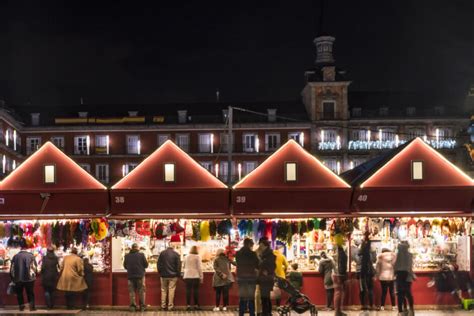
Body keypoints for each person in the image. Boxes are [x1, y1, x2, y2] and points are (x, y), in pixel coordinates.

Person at [10, 238, 38, 311]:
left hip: (18, 278)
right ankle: (32, 307)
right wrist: (34, 275)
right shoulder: (31, 256)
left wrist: (13, 278)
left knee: (19, 293)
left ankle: (21, 307)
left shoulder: (15, 256)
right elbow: (34, 268)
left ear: (20, 248)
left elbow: (12, 269)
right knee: (30, 293)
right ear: (27, 248)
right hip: (29, 279)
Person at [236, 237, 259, 316]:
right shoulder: (253, 254)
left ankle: (241, 314)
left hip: (241, 278)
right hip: (251, 278)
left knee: (242, 297)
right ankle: (252, 314)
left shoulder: (238, 253)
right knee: (251, 298)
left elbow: (238, 264)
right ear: (249, 244)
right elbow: (257, 265)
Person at [123, 243, 148, 312]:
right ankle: (142, 307)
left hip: (130, 276)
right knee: (141, 291)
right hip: (140, 276)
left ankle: (133, 307)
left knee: (132, 292)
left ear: (132, 248)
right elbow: (146, 265)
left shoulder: (127, 256)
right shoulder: (141, 255)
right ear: (137, 248)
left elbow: (125, 266)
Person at [157, 244, 181, 311]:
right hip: (173, 276)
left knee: (163, 290)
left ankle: (163, 306)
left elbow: (158, 264)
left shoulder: (162, 253)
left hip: (163, 275)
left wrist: (160, 272)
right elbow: (178, 266)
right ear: (173, 247)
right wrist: (178, 274)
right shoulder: (176, 254)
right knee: (171, 290)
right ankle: (170, 306)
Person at [394, 241, 415, 316]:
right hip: (407, 276)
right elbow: (409, 267)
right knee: (408, 293)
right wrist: (412, 275)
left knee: (400, 294)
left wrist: (394, 273)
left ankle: (400, 311)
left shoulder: (397, 255)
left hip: (400, 276)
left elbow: (395, 266)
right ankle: (411, 309)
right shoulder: (410, 255)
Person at [258, 239, 276, 316]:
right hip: (265, 278)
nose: (260, 246)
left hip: (266, 279)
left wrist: (267, 271)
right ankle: (267, 312)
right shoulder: (266, 254)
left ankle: (266, 313)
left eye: (261, 245)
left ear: (265, 245)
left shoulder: (268, 255)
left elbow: (272, 266)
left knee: (264, 297)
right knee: (266, 297)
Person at [358, 234, 376, 310]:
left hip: (362, 273)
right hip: (369, 273)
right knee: (370, 289)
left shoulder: (361, 254)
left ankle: (363, 305)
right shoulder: (369, 254)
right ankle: (371, 305)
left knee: (362, 290)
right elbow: (373, 261)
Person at [183, 245, 203, 311]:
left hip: (187, 275)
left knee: (188, 291)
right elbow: (200, 268)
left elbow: (184, 266)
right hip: (195, 276)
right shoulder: (198, 257)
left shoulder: (186, 257)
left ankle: (188, 305)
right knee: (195, 291)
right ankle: (196, 305)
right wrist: (201, 277)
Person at [332, 244, 348, 316]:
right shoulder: (340, 251)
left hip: (337, 273)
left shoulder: (337, 251)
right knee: (338, 292)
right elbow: (341, 264)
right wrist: (342, 274)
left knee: (338, 292)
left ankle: (338, 311)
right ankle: (337, 312)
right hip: (339, 274)